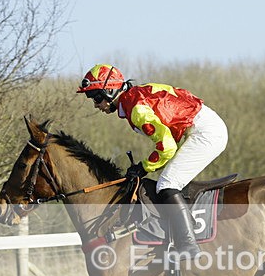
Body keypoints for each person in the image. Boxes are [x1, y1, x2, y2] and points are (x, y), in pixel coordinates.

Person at [77, 63, 228, 260]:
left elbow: (167, 146)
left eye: (96, 98)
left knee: (167, 183)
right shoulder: (135, 97)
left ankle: (187, 245)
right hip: (203, 126)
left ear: (110, 91)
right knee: (169, 178)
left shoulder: (136, 109)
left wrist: (143, 167)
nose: (96, 105)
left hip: (205, 132)